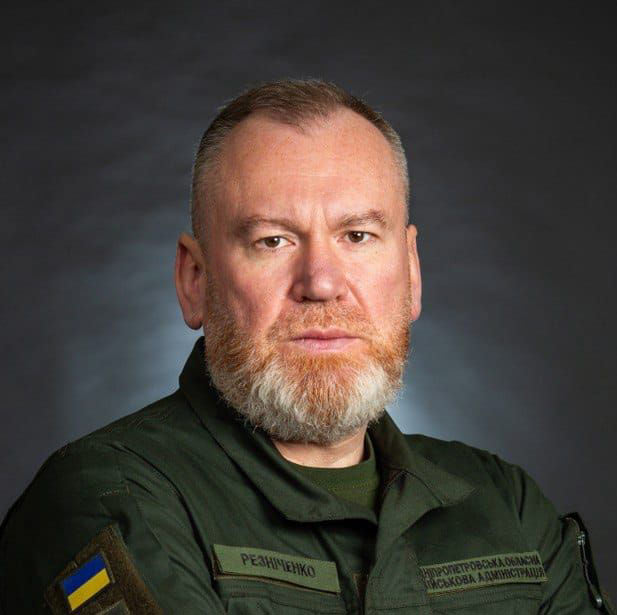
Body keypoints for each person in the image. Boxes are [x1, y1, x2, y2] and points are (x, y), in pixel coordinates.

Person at [0, 79, 613, 615]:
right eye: (273, 240)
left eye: (358, 235)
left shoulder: (508, 508)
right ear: (195, 280)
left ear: (411, 272)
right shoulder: (108, 501)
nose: (320, 282)